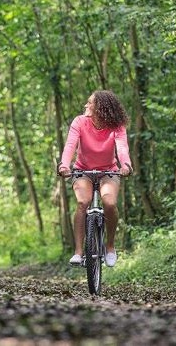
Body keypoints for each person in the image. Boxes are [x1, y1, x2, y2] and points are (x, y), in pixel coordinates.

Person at [57, 90, 132, 268]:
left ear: (101, 108)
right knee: (83, 202)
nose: (86, 105)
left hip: (109, 171)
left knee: (110, 203)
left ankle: (110, 247)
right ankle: (78, 252)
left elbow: (122, 148)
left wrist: (126, 166)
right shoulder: (80, 122)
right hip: (83, 170)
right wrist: (64, 165)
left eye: (90, 103)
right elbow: (70, 145)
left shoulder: (117, 126)